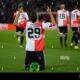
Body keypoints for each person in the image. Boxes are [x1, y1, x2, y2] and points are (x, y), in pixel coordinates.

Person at [13, 6, 56, 71]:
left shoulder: (26, 24)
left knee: (26, 67)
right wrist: (50, 12)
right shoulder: (41, 24)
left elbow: (14, 23)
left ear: (30, 18)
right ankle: (38, 66)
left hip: (29, 51)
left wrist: (19, 12)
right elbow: (54, 23)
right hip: (39, 51)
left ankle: (31, 66)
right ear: (36, 18)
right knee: (43, 67)